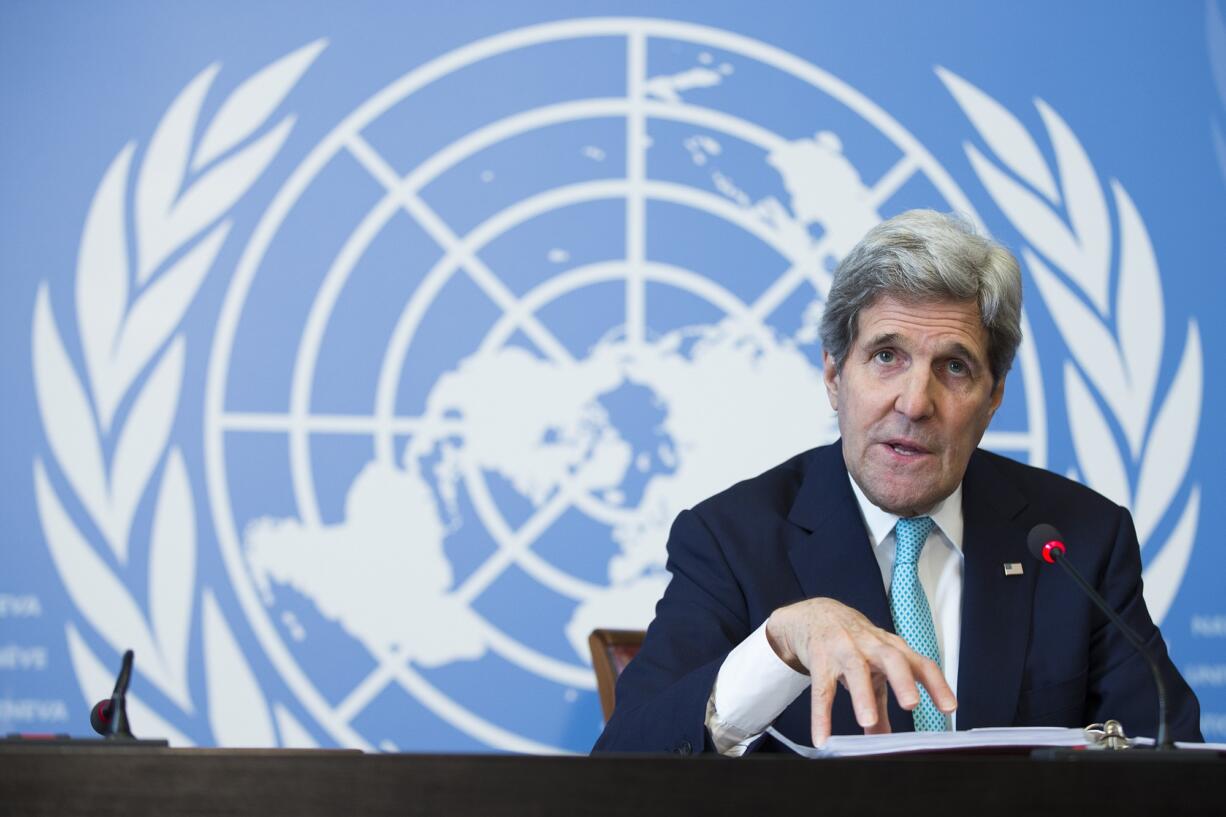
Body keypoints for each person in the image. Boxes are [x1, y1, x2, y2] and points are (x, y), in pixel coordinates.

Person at [593, 210, 1201, 755]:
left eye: (954, 367)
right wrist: (777, 645)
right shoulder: (731, 539)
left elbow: (1172, 763)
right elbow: (623, 763)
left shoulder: (1079, 540)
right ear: (835, 376)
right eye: (886, 355)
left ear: (993, 399)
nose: (914, 402)